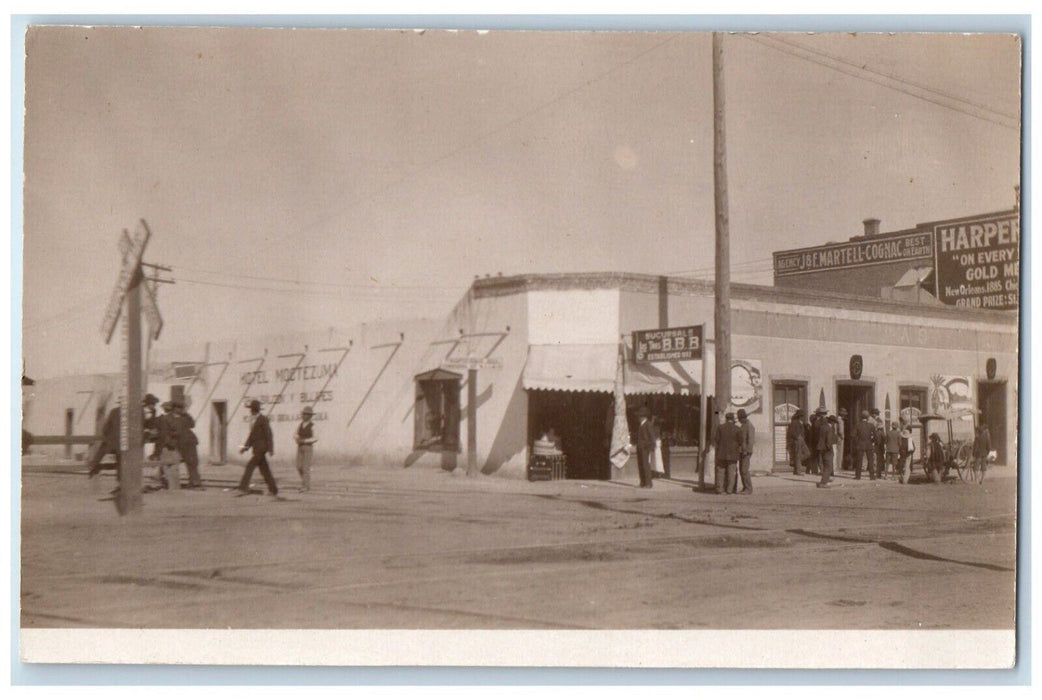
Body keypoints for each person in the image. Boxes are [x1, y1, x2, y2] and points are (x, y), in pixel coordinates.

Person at [238, 399, 278, 496]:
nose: (250, 411)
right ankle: (273, 489)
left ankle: (243, 487)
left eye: (252, 409)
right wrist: (245, 447)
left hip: (261, 449)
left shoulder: (263, 419)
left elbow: (269, 434)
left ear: (255, 410)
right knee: (265, 470)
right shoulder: (254, 420)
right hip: (256, 449)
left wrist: (270, 449)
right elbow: (251, 436)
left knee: (250, 466)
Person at [171, 400, 203, 489]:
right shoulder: (169, 418)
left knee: (193, 462)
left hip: (190, 442)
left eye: (182, 408)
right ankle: (194, 481)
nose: (181, 410)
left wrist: (187, 414)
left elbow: (192, 425)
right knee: (188, 461)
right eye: (179, 408)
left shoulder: (185, 417)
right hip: (180, 443)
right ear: (174, 408)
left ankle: (195, 482)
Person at [714, 412, 742, 494]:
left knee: (720, 471)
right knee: (731, 472)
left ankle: (720, 489)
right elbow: (741, 441)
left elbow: (717, 440)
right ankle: (730, 490)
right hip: (733, 454)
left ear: (726, 419)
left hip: (721, 453)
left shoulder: (720, 427)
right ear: (733, 419)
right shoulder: (737, 429)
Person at [295, 406, 318, 492]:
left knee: (306, 467)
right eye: (303, 414)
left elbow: (316, 438)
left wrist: (306, 440)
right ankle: (305, 482)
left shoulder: (313, 426)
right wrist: (297, 438)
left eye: (306, 414)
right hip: (300, 446)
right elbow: (296, 434)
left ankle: (305, 485)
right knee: (298, 466)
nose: (304, 416)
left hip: (308, 447)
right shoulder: (300, 425)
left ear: (310, 416)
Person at [852, 410, 877, 480]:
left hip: (860, 444)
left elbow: (853, 435)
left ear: (861, 417)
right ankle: (872, 476)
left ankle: (858, 476)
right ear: (868, 417)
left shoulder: (858, 425)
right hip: (869, 444)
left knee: (859, 460)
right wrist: (872, 441)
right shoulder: (871, 425)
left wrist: (857, 441)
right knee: (870, 460)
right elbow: (876, 436)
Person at [635, 406, 655, 488]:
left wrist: (650, 447)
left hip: (645, 448)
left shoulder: (648, 424)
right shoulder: (641, 425)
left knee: (645, 465)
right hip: (640, 447)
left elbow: (652, 437)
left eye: (640, 416)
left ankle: (648, 483)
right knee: (640, 464)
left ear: (643, 417)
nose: (639, 418)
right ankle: (642, 482)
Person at [816, 415, 839, 488]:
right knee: (828, 466)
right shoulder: (829, 429)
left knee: (825, 464)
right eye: (834, 422)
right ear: (832, 422)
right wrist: (830, 447)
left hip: (821, 448)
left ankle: (827, 478)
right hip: (827, 449)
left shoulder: (822, 427)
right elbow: (828, 441)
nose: (834, 424)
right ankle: (823, 482)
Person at [736, 408, 754, 494]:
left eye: (739, 418)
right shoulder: (744, 425)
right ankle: (745, 487)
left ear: (742, 418)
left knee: (744, 470)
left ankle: (748, 488)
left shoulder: (749, 425)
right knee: (741, 470)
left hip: (746, 452)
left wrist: (746, 451)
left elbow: (750, 440)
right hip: (742, 451)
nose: (739, 420)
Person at [786, 409, 807, 475]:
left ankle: (795, 463)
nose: (803, 417)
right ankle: (798, 471)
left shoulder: (801, 423)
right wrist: (797, 437)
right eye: (802, 416)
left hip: (801, 440)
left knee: (807, 453)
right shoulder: (794, 422)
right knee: (798, 455)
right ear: (799, 416)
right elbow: (790, 432)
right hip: (796, 441)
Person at [972, 420, 992, 484]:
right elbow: (989, 447)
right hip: (984, 454)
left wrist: (974, 454)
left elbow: (975, 446)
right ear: (985, 430)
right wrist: (988, 452)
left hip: (978, 454)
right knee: (984, 468)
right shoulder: (987, 437)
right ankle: (982, 480)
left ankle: (976, 480)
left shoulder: (977, 437)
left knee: (976, 467)